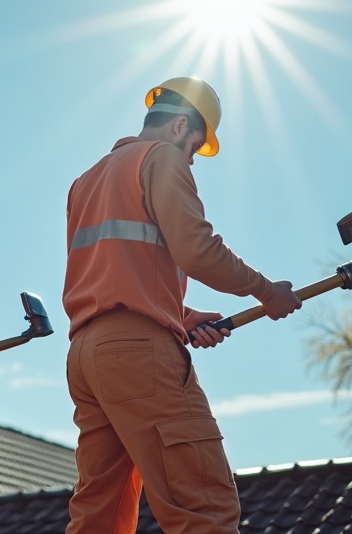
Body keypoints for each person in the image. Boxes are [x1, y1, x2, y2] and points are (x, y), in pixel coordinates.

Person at [61, 77, 303, 533]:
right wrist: (266, 291)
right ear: (178, 126)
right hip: (138, 354)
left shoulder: (86, 181)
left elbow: (111, 268)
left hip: (87, 357)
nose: (192, 158)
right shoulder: (162, 158)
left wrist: (181, 318)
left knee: (101, 517)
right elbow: (197, 249)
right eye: (195, 144)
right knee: (204, 509)